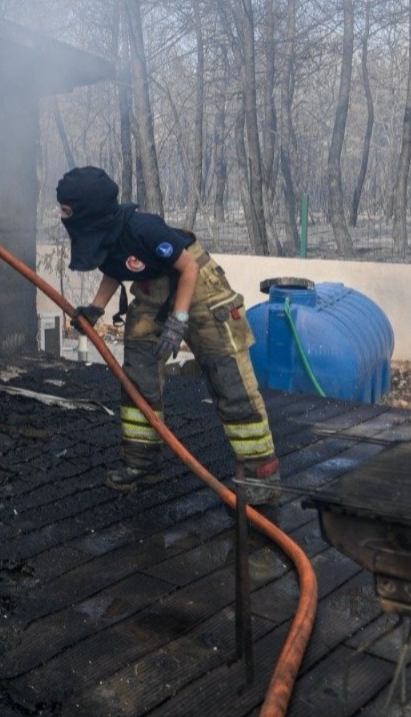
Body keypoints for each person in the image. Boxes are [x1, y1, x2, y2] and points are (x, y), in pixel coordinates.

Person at [56, 166, 281, 500]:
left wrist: (178, 321)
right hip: (154, 289)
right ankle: (142, 463)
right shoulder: (104, 233)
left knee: (228, 376)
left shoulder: (143, 229)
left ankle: (259, 474)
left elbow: (188, 267)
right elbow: (115, 269)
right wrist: (96, 308)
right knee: (138, 370)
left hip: (198, 283)